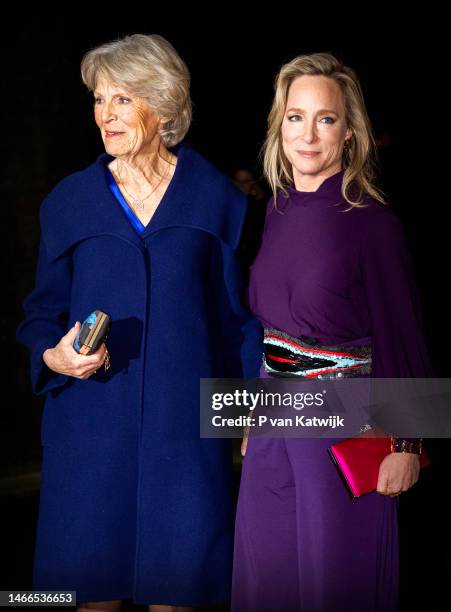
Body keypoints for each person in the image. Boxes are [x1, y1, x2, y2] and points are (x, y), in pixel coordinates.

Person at [16, 33, 261, 612]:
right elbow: (39, 314)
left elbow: (240, 324)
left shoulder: (219, 202)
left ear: (165, 104)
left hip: (186, 444)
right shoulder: (68, 201)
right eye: (100, 100)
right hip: (88, 439)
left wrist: (256, 415)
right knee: (75, 597)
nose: (105, 114)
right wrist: (52, 356)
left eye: (123, 99)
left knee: (182, 594)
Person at [231, 52, 433, 612]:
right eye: (296, 117)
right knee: (265, 580)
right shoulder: (276, 210)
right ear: (279, 126)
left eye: (326, 118)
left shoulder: (373, 222)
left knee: (334, 585)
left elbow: (403, 335)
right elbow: (268, 328)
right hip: (273, 416)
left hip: (343, 422)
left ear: (348, 133)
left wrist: (406, 443)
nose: (309, 134)